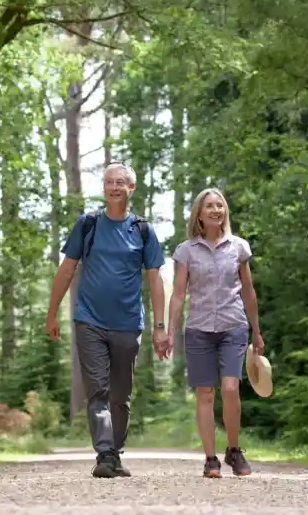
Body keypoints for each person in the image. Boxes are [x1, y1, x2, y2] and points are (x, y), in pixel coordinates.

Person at [45, 162, 167, 479]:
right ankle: (105, 453)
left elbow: (155, 280)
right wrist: (52, 311)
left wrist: (159, 326)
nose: (114, 187)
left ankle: (115, 451)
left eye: (121, 182)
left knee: (120, 395)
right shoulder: (88, 225)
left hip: (128, 325)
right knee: (97, 390)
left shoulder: (143, 230)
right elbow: (67, 269)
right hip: (90, 321)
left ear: (131, 188)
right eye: (109, 182)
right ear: (103, 188)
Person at [167, 187, 264, 479]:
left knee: (231, 389)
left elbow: (248, 291)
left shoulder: (239, 247)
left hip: (233, 326)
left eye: (219, 205)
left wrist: (257, 331)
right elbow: (178, 294)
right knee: (206, 393)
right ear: (199, 212)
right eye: (209, 205)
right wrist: (169, 330)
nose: (215, 210)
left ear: (225, 212)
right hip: (198, 329)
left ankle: (234, 450)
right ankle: (211, 459)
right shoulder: (186, 251)